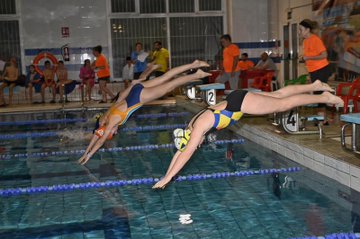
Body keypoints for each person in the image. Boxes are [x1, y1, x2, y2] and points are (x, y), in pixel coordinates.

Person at [152, 81, 344, 189]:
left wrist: (168, 179)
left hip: (241, 104)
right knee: (278, 95)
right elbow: (180, 152)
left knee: (284, 104)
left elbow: (185, 154)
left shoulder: (199, 127)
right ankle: (314, 85)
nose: (200, 144)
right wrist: (166, 174)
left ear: (190, 138)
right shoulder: (192, 125)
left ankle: (324, 97)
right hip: (237, 97)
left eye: (197, 143)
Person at [78, 60, 210, 165]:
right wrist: (85, 152)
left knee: (171, 85)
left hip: (139, 97)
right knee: (166, 77)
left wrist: (89, 156)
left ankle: (196, 74)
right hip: (136, 89)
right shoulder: (107, 116)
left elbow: (100, 140)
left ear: (109, 128)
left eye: (112, 132)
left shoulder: (113, 121)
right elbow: (97, 135)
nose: (115, 132)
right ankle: (194, 64)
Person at [299, 19, 332, 125]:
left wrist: (308, 57)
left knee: (320, 93)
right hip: (314, 70)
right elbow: (310, 58)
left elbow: (324, 55)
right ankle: (323, 118)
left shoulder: (315, 39)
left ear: (307, 29)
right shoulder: (305, 41)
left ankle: (322, 119)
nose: (299, 32)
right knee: (318, 93)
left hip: (322, 68)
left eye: (301, 30)